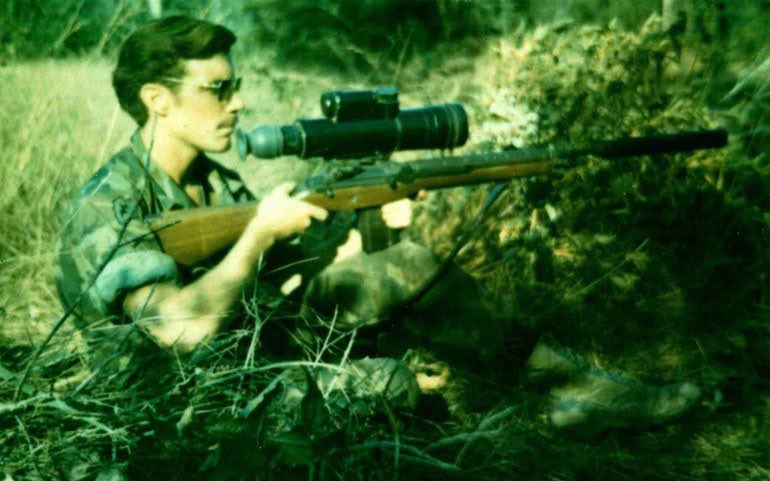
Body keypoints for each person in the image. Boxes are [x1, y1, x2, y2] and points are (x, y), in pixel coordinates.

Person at [54, 14, 702, 479]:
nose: (237, 103)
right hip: (182, 408)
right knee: (393, 385)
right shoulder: (109, 205)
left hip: (256, 351)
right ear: (157, 100)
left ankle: (577, 391)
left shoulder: (211, 179)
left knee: (407, 265)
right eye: (217, 90)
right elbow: (181, 328)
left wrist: (359, 219)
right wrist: (258, 234)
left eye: (235, 86)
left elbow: (278, 285)